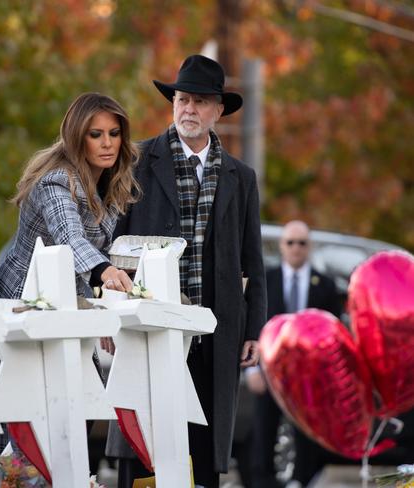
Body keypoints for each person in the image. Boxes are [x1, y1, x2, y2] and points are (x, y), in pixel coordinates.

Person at [106, 54, 267, 488]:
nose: (188, 110)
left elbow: (253, 259)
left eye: (199, 102)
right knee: (144, 447)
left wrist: (254, 329)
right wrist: (110, 314)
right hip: (149, 327)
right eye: (181, 100)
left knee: (203, 446)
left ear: (218, 111)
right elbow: (112, 244)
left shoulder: (241, 177)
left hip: (215, 333)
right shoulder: (136, 160)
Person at [0, 92, 139, 305]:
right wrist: (106, 271)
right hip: (26, 295)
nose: (107, 143)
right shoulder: (56, 180)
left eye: (114, 133)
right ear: (77, 137)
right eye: (96, 134)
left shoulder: (111, 181)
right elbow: (70, 237)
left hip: (70, 296)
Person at [247, 220, 340, 488]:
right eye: (290, 242)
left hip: (308, 379)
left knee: (306, 434)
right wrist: (252, 368)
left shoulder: (325, 285)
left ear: (309, 247)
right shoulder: (266, 280)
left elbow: (332, 335)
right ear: (282, 246)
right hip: (269, 373)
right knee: (263, 432)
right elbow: (252, 322)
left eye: (302, 243)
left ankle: (300, 481)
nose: (296, 248)